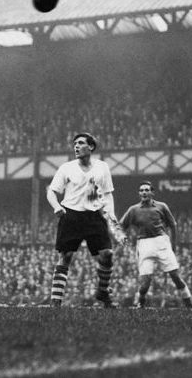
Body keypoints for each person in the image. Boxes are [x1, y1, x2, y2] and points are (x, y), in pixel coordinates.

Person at [46, 132, 124, 308]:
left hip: (94, 215)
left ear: (91, 146)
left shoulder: (102, 167)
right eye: (75, 144)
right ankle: (55, 302)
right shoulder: (67, 168)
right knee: (66, 256)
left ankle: (102, 292)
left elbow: (107, 193)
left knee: (107, 254)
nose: (76, 146)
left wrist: (111, 213)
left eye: (81, 143)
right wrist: (56, 206)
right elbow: (51, 191)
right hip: (71, 214)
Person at [119, 180, 192, 309]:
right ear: (139, 193)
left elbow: (173, 224)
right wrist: (123, 239)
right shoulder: (133, 210)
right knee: (145, 283)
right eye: (141, 190)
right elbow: (120, 226)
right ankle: (140, 304)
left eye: (146, 190)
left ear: (152, 193)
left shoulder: (161, 206)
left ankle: (189, 305)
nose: (144, 192)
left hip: (161, 242)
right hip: (144, 244)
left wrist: (173, 245)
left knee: (175, 276)